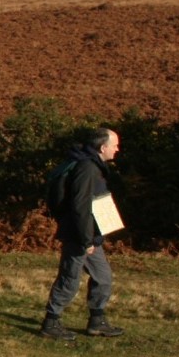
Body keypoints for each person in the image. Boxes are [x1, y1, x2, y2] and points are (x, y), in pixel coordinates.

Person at [41, 128, 124, 341]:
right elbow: (80, 206)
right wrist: (85, 239)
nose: (117, 149)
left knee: (103, 277)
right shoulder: (87, 168)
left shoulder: (91, 166)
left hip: (89, 235)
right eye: (114, 145)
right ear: (102, 147)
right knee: (69, 278)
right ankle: (51, 322)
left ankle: (97, 321)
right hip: (79, 236)